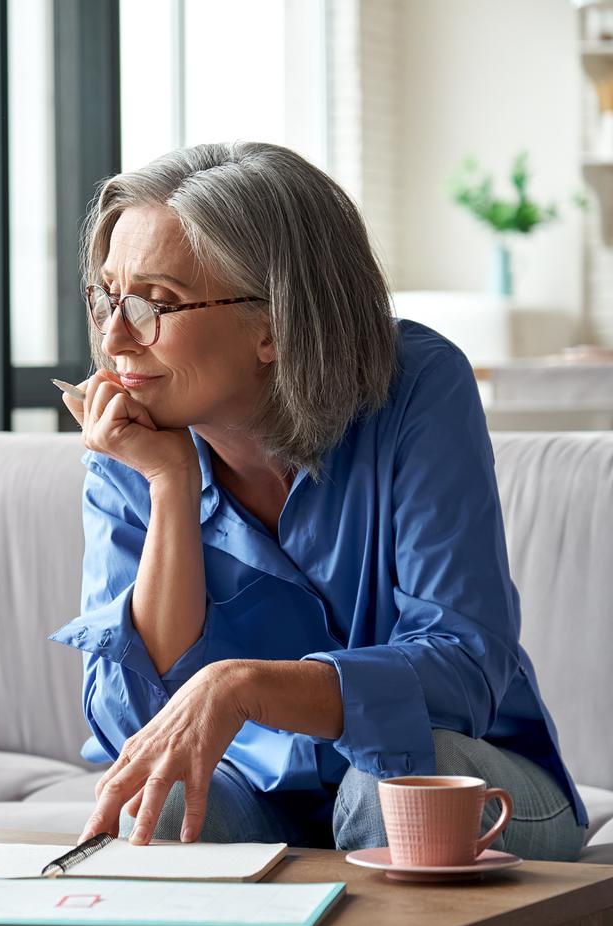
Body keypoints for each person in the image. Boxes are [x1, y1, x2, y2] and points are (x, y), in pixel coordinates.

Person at [47, 141, 588, 860]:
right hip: (259, 793)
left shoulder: (418, 387)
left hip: (466, 775)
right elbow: (135, 726)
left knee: (387, 787)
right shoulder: (134, 437)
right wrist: (170, 487)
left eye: (155, 303)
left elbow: (463, 668)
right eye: (106, 297)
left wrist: (244, 688)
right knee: (166, 801)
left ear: (274, 323)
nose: (115, 338)